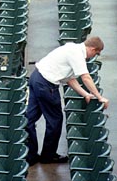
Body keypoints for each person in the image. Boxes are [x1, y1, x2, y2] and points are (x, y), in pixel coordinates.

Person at [26, 36, 109, 166]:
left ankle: (30, 156)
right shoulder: (77, 54)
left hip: (36, 78)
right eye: (96, 53)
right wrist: (99, 96)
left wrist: (86, 94)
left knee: (29, 119)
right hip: (46, 85)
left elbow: (70, 79)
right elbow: (86, 77)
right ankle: (48, 156)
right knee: (55, 121)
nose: (93, 56)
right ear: (92, 49)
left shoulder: (72, 48)